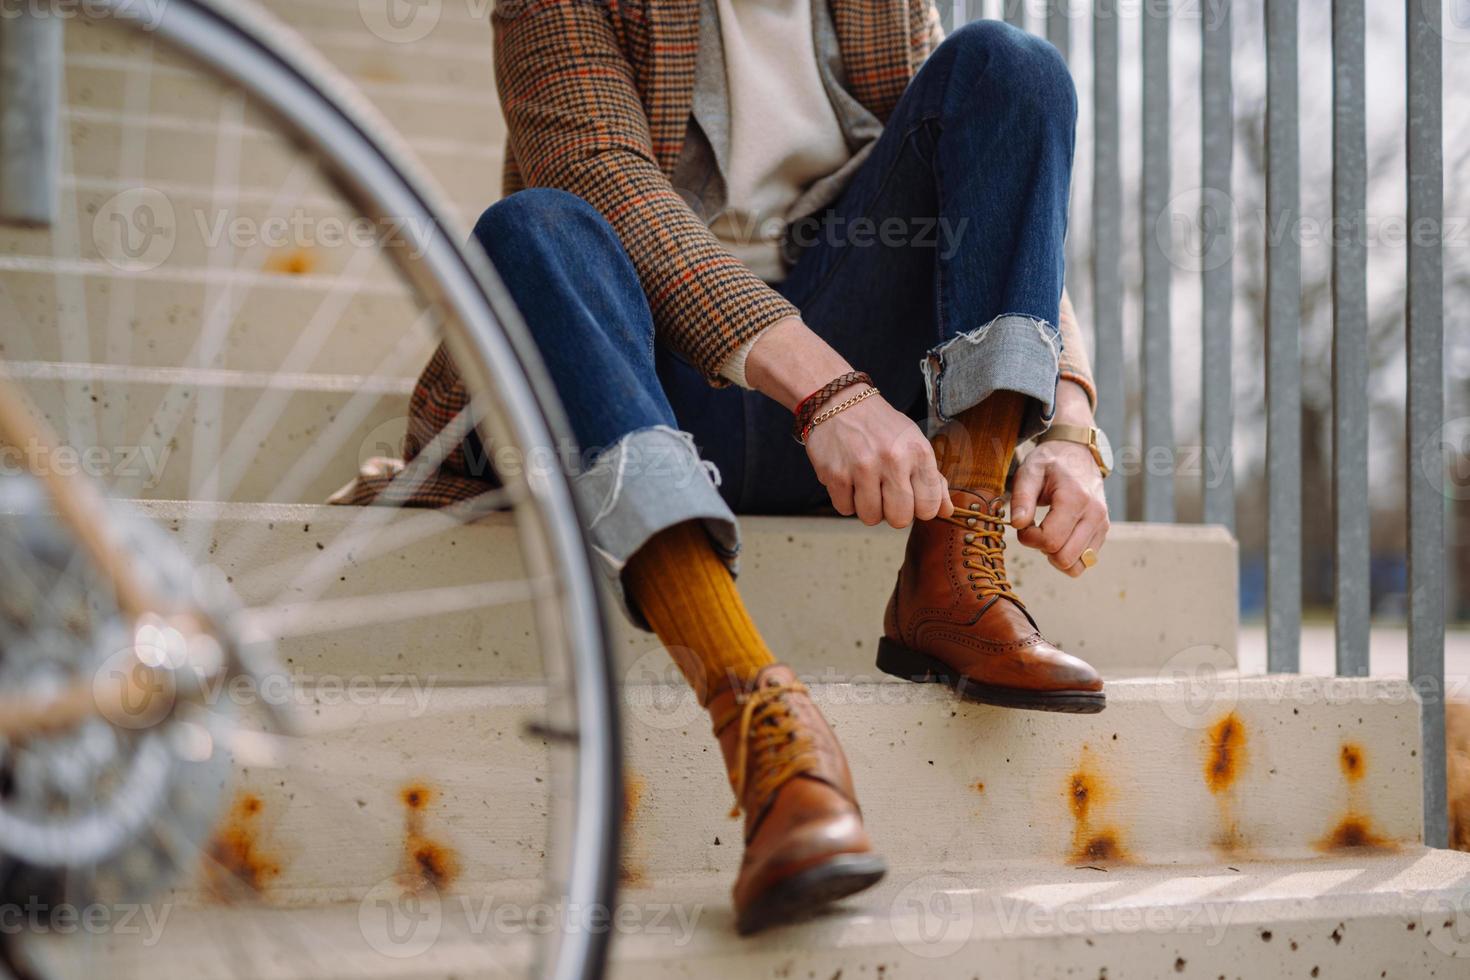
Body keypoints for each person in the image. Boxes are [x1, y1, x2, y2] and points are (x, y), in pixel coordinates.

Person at [354, 0, 1113, 935]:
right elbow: (600, 175)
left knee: (1012, 68)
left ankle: (955, 569)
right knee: (531, 230)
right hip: (641, 389)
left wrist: (1070, 421)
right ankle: (770, 740)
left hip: (853, 406)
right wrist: (827, 391)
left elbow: (988, 183)